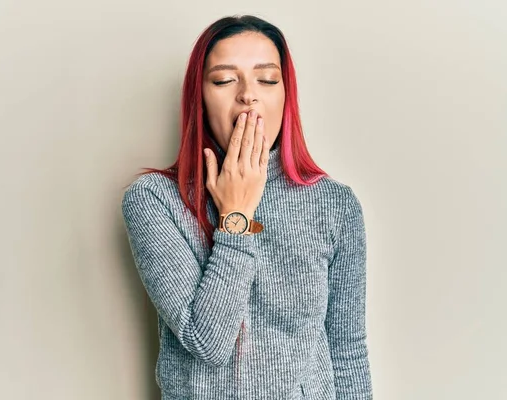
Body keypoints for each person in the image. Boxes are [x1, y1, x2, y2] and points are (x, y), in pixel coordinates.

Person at [121, 14, 373, 400]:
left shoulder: (335, 204)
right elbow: (208, 342)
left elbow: (347, 347)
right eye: (224, 80)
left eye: (267, 79)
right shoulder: (155, 199)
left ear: (285, 95)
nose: (248, 95)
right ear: (199, 98)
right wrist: (236, 215)